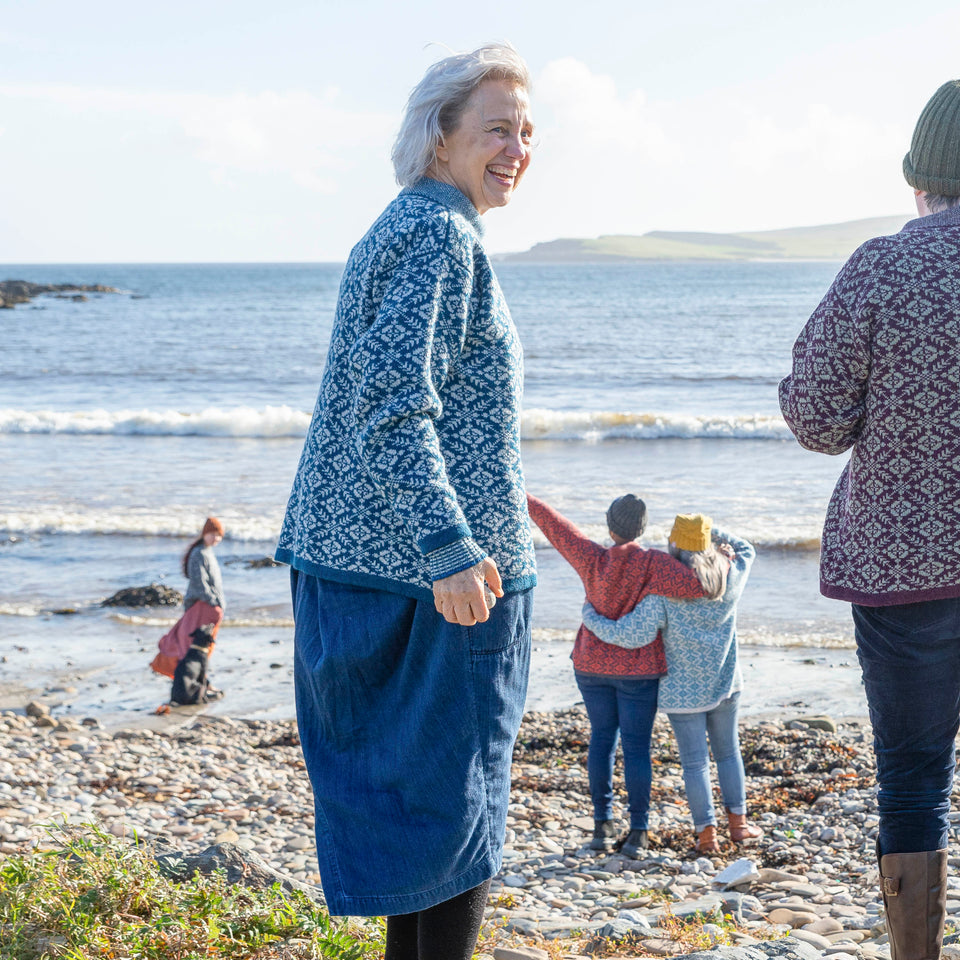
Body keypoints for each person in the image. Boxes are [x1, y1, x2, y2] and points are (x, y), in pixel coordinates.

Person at [274, 43, 537, 960]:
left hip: (371, 572)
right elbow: (393, 408)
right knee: (458, 834)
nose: (518, 148)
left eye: (527, 131)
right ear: (439, 139)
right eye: (497, 128)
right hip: (436, 588)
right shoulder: (438, 234)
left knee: (420, 837)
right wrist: (453, 548)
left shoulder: (403, 225)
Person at [779, 79, 960, 959]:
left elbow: (815, 417)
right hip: (909, 576)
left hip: (905, 571)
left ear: (920, 179)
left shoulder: (885, 264)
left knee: (914, 776)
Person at [527, 493, 704, 858]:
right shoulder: (653, 562)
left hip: (591, 665)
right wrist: (721, 556)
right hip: (639, 670)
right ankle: (638, 831)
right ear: (643, 528)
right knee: (637, 747)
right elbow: (695, 587)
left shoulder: (591, 557)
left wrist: (523, 493)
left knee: (602, 739)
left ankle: (601, 826)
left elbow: (554, 525)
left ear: (609, 527)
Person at [581, 514, 762, 854]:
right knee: (728, 753)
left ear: (673, 547)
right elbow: (746, 547)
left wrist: (591, 617)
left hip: (682, 693)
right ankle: (738, 825)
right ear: (708, 543)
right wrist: (712, 537)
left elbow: (630, 635)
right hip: (725, 682)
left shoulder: (664, 592)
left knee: (695, 764)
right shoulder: (730, 577)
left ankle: (707, 835)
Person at [150, 517, 225, 679]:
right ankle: (191, 679)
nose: (216, 538)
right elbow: (199, 583)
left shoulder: (207, 552)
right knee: (191, 644)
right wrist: (214, 603)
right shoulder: (199, 553)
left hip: (208, 605)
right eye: (212, 534)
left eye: (219, 535)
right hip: (201, 605)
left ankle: (200, 680)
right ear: (205, 533)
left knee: (203, 645)